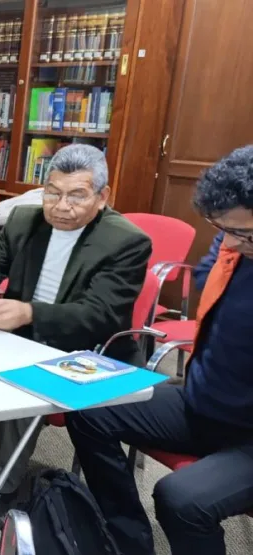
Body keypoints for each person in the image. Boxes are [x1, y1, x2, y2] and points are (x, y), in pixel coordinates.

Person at [0, 144, 152, 506]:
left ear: (103, 197)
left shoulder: (125, 241)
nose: (61, 206)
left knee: (20, 382)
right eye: (52, 193)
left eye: (76, 196)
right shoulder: (25, 220)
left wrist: (30, 313)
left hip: (85, 349)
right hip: (21, 332)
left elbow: (100, 314)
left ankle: (1, 483)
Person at [67, 145, 253, 555]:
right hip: (204, 402)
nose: (233, 244)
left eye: (245, 234)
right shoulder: (233, 244)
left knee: (180, 499)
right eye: (226, 230)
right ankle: (128, 541)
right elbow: (208, 275)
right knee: (87, 409)